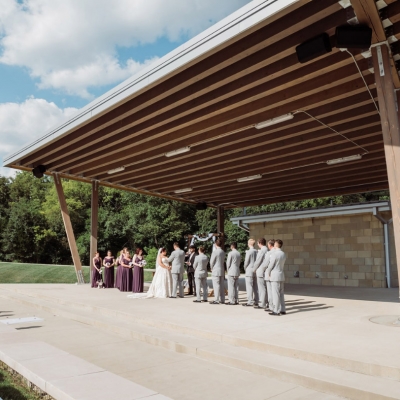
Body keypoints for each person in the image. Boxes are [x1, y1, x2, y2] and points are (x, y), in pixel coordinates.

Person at [265, 239, 287, 316]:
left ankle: (276, 310)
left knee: (275, 294)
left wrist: (268, 271)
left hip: (274, 275)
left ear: (275, 245)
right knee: (281, 293)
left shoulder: (275, 254)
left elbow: (271, 264)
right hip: (281, 274)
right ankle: (283, 309)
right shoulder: (283, 254)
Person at [253, 238, 269, 309]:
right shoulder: (267, 249)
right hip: (265, 271)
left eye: (257, 243)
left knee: (261, 288)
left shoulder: (262, 250)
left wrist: (254, 269)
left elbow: (258, 261)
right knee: (265, 288)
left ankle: (262, 303)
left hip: (261, 270)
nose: (257, 244)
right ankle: (266, 302)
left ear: (260, 243)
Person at [242, 239, 258, 307]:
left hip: (249, 269)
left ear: (249, 244)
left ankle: (250, 301)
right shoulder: (256, 251)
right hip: (255, 269)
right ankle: (256, 300)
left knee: (249, 286)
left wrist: (245, 268)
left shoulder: (249, 252)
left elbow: (246, 262)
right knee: (255, 286)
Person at [209, 239, 226, 304]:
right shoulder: (223, 252)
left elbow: (211, 261)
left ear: (216, 244)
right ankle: (222, 299)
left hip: (216, 269)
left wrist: (211, 267)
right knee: (221, 285)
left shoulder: (215, 252)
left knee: (216, 285)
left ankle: (216, 299)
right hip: (221, 269)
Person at [261, 239, 276, 311]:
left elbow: (265, 264)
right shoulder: (278, 252)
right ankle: (275, 306)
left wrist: (262, 269)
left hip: (269, 274)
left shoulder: (269, 253)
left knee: (270, 292)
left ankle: (271, 306)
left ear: (270, 245)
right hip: (276, 274)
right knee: (275, 292)